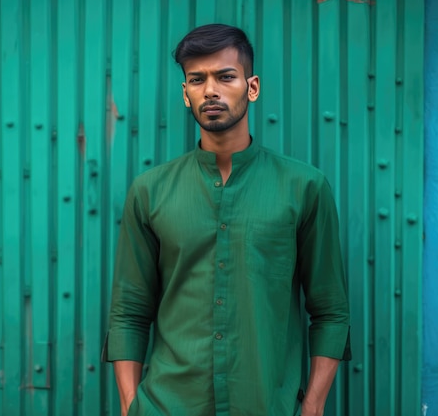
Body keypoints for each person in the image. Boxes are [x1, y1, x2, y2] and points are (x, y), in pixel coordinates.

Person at [102, 23, 351, 416]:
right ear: (186, 94)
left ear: (251, 87)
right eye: (196, 80)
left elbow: (330, 311)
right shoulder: (150, 191)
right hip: (167, 407)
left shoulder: (304, 187)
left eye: (225, 76)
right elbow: (129, 312)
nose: (211, 90)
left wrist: (314, 406)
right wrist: (131, 406)